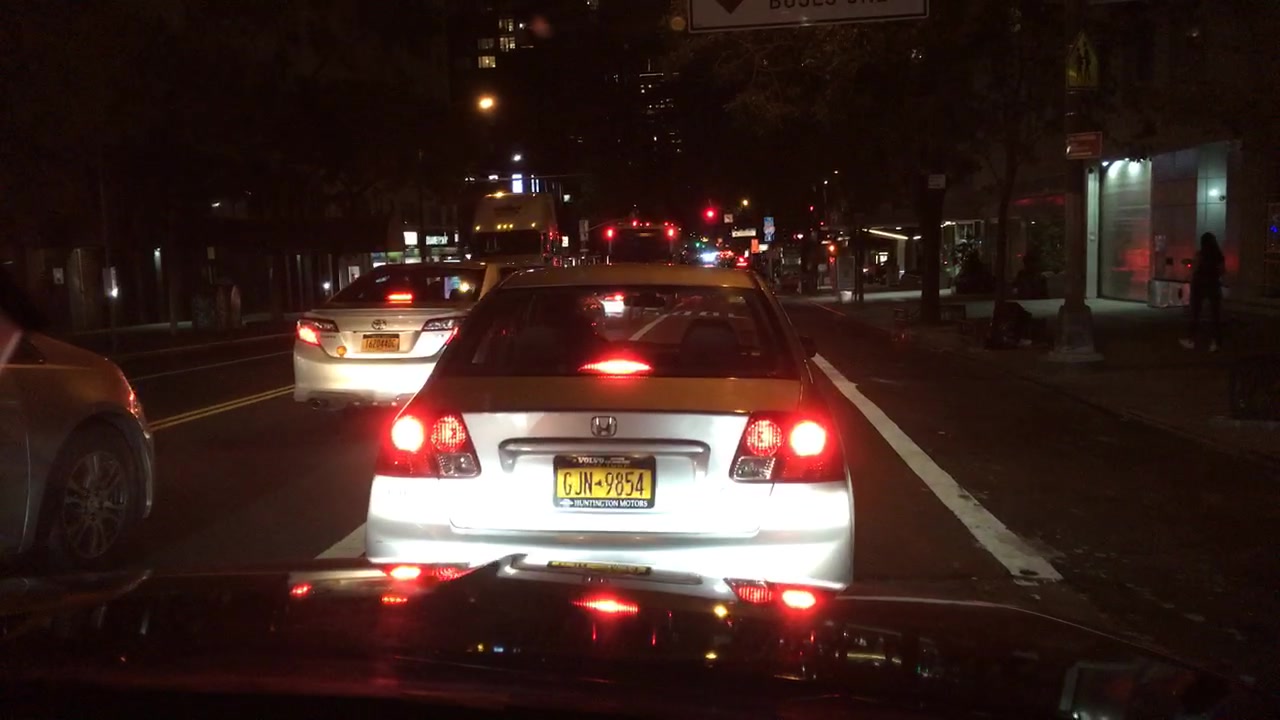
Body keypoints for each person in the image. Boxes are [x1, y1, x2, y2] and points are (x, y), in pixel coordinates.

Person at [1180, 232, 1224, 352]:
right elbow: (1222, 270)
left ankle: (1191, 339)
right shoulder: (1218, 255)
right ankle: (1216, 342)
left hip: (1199, 285)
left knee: (1195, 313)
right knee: (1215, 315)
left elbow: (1195, 268)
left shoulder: (1200, 254)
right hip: (1213, 285)